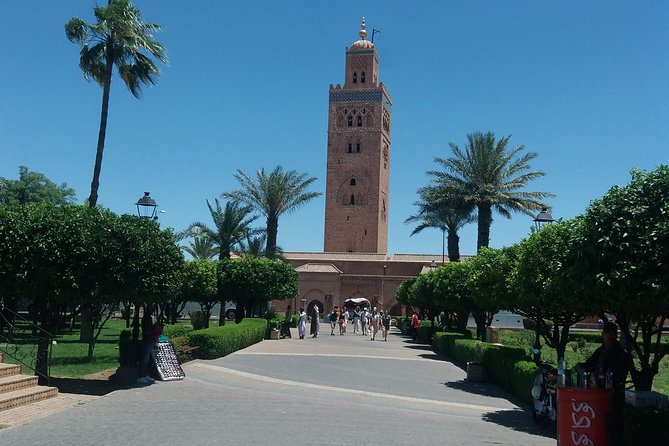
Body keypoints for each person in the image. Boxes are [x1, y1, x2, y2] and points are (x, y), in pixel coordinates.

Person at [576, 321, 634, 446]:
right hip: (597, 396)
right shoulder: (600, 350)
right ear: (603, 335)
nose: (611, 336)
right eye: (608, 333)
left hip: (613, 397)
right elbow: (589, 364)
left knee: (614, 431)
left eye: (614, 333)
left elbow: (620, 374)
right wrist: (580, 367)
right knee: (599, 429)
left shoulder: (620, 353)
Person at [137, 304, 158, 385]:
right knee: (143, 360)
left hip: (149, 340)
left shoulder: (149, 318)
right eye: (151, 309)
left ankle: (145, 375)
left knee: (146, 360)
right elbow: (146, 331)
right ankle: (140, 376)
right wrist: (153, 331)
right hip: (146, 340)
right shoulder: (146, 318)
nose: (152, 311)